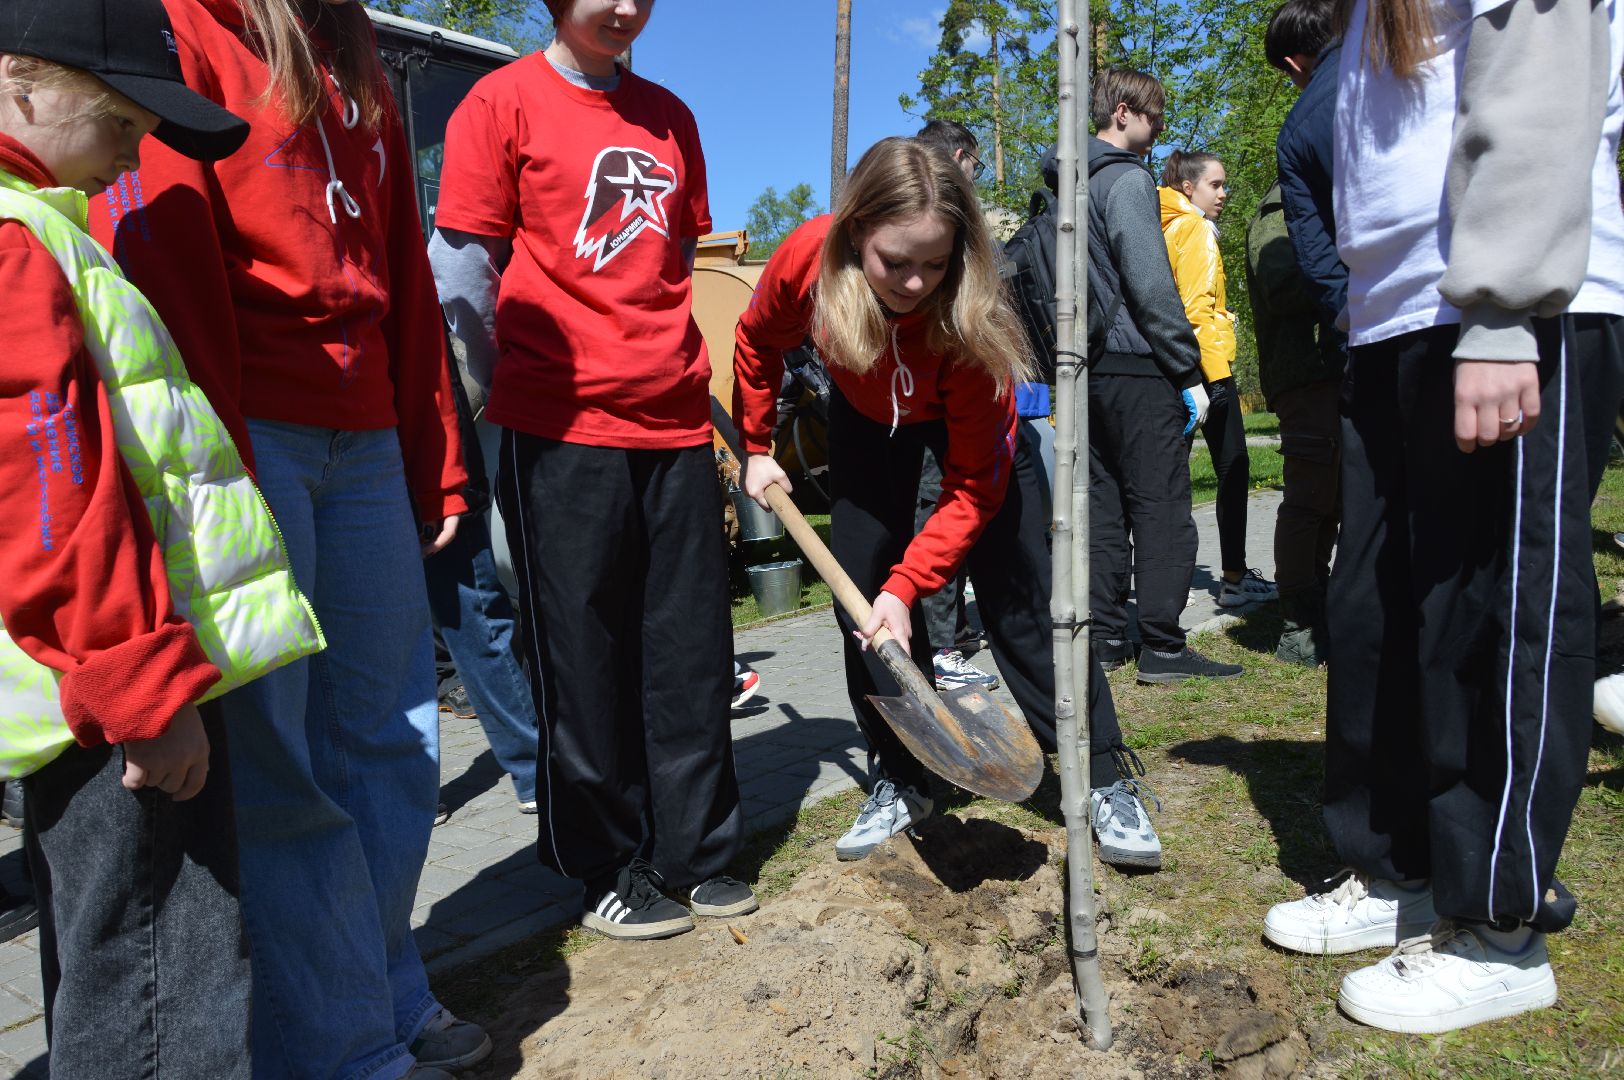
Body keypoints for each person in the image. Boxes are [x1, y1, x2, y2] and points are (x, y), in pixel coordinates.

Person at [89, 0, 489, 1074]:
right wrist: (209, 469)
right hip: (246, 425)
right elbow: (160, 257)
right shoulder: (189, 27)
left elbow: (401, 255)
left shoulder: (349, 44)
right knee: (283, 765)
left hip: (359, 433)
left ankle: (382, 989)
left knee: (396, 744)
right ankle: (342, 1044)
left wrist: (435, 443)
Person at [1262, 0, 1624, 1034]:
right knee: (1377, 603)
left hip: (1502, 301)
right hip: (1395, 315)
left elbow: (1543, 74)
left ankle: (1497, 924)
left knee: (1487, 608)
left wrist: (1504, 308)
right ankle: (1398, 871)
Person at [0, 1, 321, 1072]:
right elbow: (51, 491)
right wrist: (145, 691)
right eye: (125, 123)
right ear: (23, 86)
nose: (135, 155)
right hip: (116, 707)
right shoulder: (16, 240)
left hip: (89, 692)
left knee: (107, 972)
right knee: (157, 994)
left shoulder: (39, 226)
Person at [735, 137, 1162, 869]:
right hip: (868, 423)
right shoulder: (806, 259)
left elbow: (973, 488)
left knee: (1025, 600)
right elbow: (754, 340)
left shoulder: (970, 320)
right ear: (853, 233)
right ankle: (903, 776)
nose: (912, 282)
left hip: (971, 440)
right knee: (862, 610)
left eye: (934, 264)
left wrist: (912, 585)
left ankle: (1104, 776)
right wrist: (756, 443)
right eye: (894, 262)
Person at [431, 0, 757, 945]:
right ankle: (607, 864)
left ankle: (697, 850)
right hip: (562, 424)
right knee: (583, 652)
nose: (623, 8)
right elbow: (461, 271)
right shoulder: (500, 103)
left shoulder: (669, 115)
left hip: (672, 423)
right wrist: (505, 387)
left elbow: (676, 266)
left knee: (690, 646)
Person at [1087, 69, 1242, 684]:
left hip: (1086, 369)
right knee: (1160, 505)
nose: (1160, 132)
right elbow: (1151, 286)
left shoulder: (1068, 181)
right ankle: (1162, 646)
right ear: (1123, 113)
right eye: (1154, 117)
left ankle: (1101, 638)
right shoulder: (1127, 180)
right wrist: (1187, 368)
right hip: (1136, 362)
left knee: (1101, 508)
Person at [1259, 0, 1347, 666]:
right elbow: (1283, 281)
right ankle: (1297, 621)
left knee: (1346, 492)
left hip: (1338, 365)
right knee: (1312, 497)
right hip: (1307, 371)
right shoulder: (1279, 203)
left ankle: (1332, 608)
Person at [1158, 149, 1278, 609]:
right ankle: (1231, 578)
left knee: (1169, 478)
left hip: (1174, 367)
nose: (1224, 194)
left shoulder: (1163, 223)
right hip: (1206, 369)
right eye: (1216, 184)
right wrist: (1216, 374)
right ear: (1189, 188)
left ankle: (1168, 581)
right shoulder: (1195, 227)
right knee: (1233, 467)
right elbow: (1197, 309)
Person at [911, 117, 998, 694]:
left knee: (960, 510)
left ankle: (951, 637)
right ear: (961, 157)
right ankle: (941, 649)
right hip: (923, 412)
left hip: (962, 394)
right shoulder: (932, 218)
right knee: (935, 513)